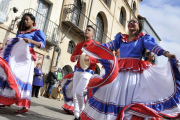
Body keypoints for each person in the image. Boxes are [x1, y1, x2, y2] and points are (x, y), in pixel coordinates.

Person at [80, 18, 180, 120]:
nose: (131, 23)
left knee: (130, 98)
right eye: (129, 22)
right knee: (111, 94)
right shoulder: (121, 38)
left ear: (138, 26)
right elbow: (107, 46)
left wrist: (166, 53)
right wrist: (93, 50)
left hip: (135, 73)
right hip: (119, 71)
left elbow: (153, 46)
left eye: (134, 22)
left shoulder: (142, 38)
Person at [0, 13, 46, 113]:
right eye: (24, 20)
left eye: (27, 20)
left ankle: (24, 105)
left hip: (26, 57)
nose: (25, 21)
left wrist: (31, 41)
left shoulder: (37, 32)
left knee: (23, 78)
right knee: (10, 74)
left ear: (33, 21)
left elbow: (42, 45)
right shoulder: (20, 32)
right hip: (16, 56)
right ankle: (4, 99)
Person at [70, 25, 99, 120]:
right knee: (75, 94)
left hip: (88, 72)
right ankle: (76, 116)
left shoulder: (96, 45)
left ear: (93, 34)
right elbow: (72, 58)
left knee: (79, 92)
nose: (86, 31)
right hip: (77, 71)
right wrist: (76, 57)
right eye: (86, 29)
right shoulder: (79, 45)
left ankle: (83, 112)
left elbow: (99, 59)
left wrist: (89, 59)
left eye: (89, 30)